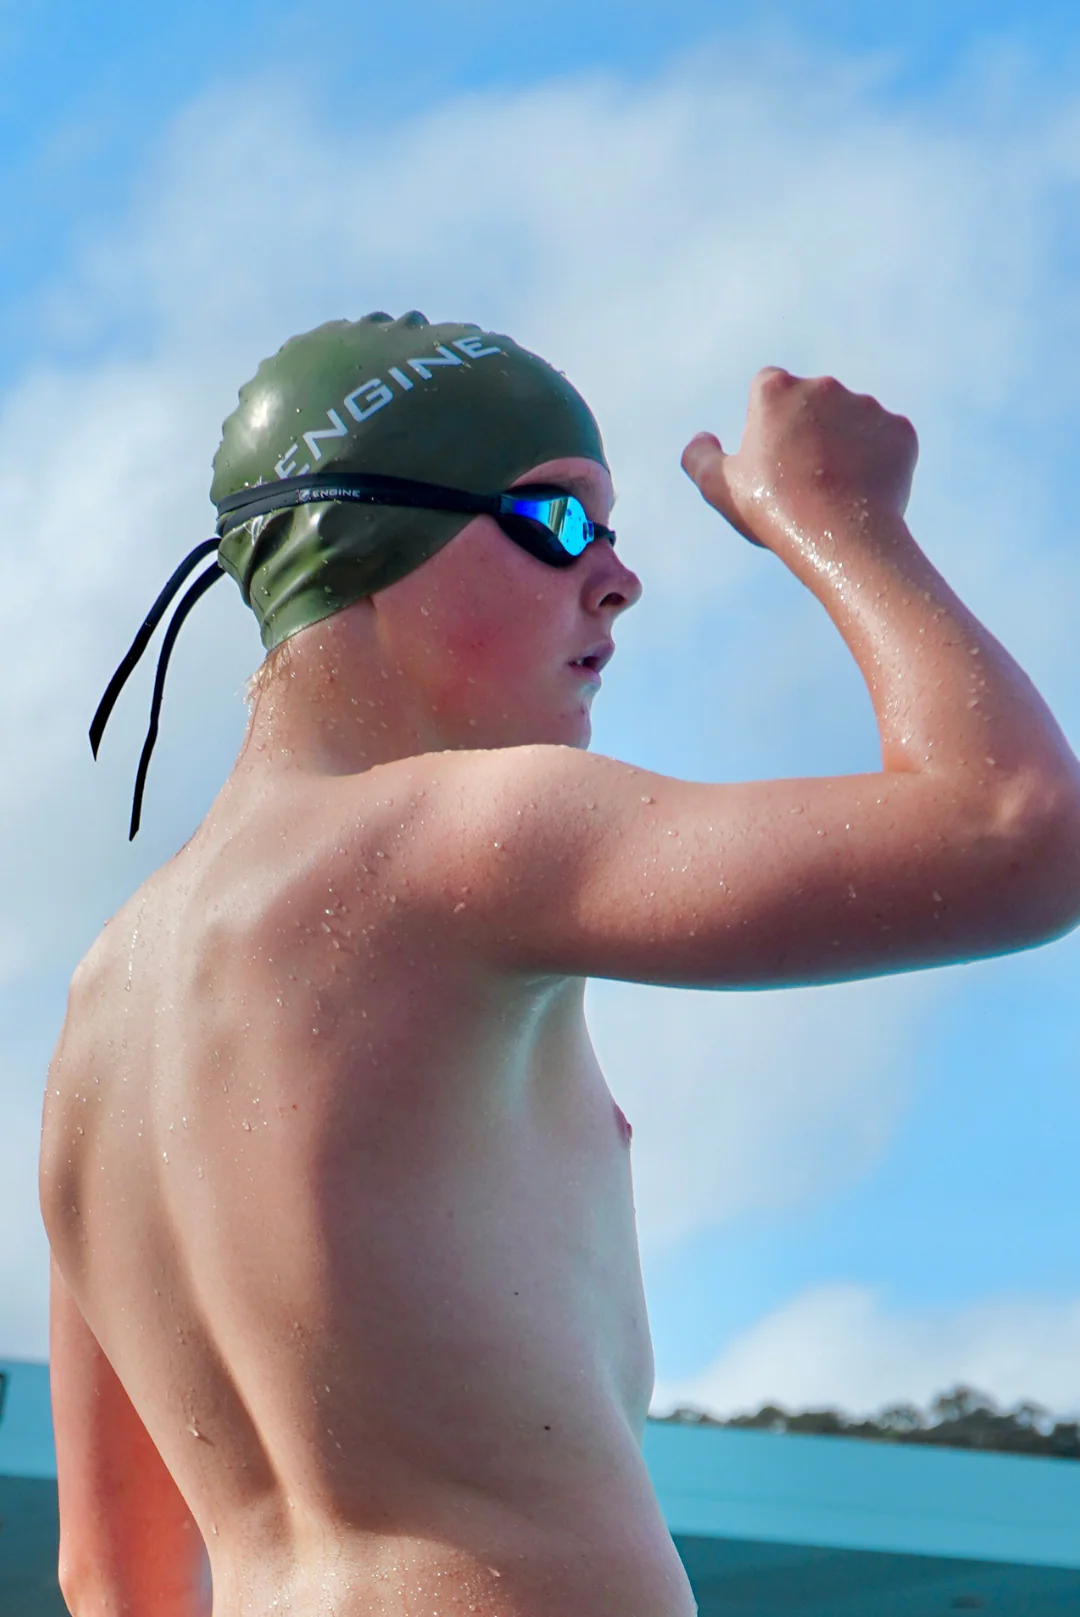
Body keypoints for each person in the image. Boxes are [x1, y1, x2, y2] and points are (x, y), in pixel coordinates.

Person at [39, 311, 1080, 1617]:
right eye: (559, 522)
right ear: (361, 538)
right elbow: (1011, 833)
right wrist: (837, 517)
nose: (619, 579)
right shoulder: (457, 834)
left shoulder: (95, 1026)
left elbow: (115, 1578)